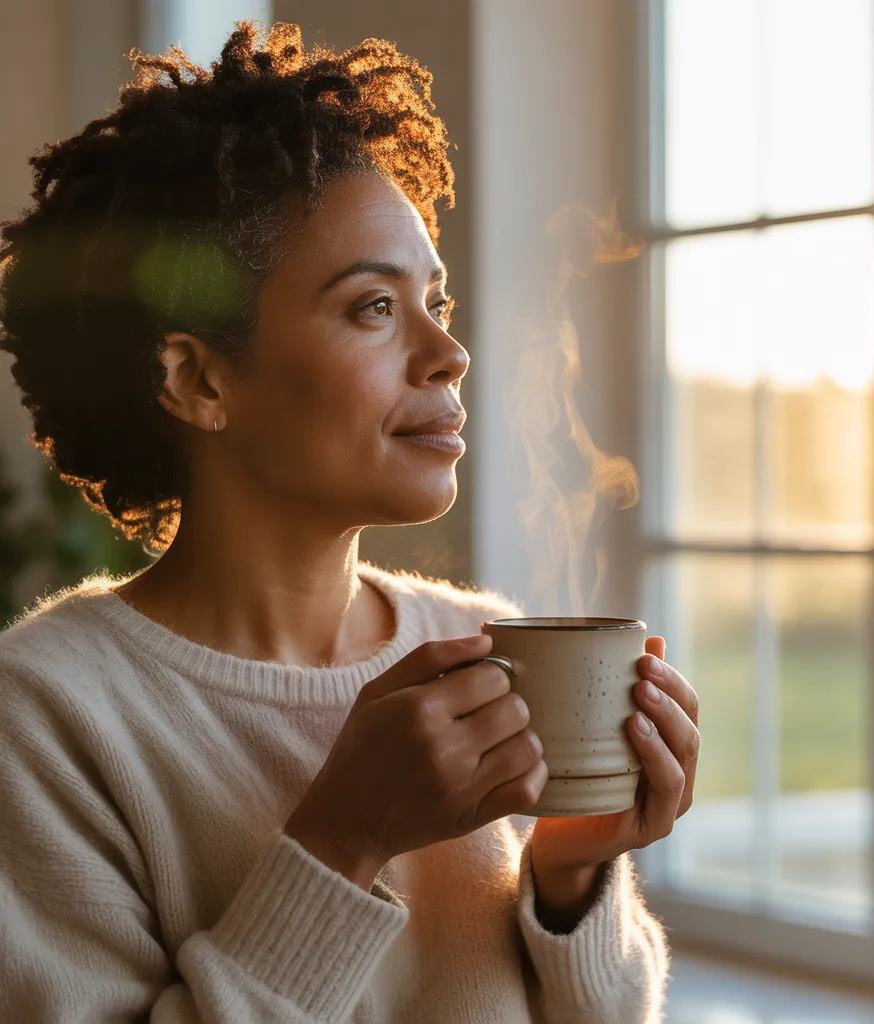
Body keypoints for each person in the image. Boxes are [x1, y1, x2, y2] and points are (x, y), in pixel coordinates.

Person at [0, 21, 700, 1024]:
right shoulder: (45, 718)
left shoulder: (473, 644)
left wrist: (572, 876)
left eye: (435, 301)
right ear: (198, 377)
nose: (447, 353)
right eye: (373, 307)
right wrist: (342, 839)